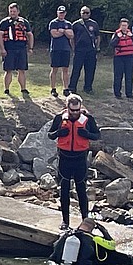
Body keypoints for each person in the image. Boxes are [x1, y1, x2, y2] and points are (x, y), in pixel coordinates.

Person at [47, 94, 100, 230]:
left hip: (80, 159)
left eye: (77, 110)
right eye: (72, 110)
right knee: (64, 191)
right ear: (67, 108)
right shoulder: (60, 118)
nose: (75, 113)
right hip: (64, 158)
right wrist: (60, 132)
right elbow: (50, 135)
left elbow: (97, 135)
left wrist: (87, 134)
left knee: (81, 190)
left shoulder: (88, 119)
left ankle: (85, 220)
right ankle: (65, 221)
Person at [50, 217, 133, 265]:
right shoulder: (94, 238)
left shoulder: (66, 234)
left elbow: (55, 246)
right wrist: (103, 230)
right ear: (92, 228)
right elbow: (112, 246)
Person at [0, 2, 33, 95]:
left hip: (21, 48)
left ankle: (23, 88)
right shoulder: (4, 22)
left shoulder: (24, 22)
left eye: (14, 11)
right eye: (11, 11)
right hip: (9, 48)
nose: (12, 13)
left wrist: (30, 47)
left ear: (18, 11)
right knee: (8, 70)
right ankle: (7, 89)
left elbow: (29, 34)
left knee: (22, 69)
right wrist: (2, 49)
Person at [68, 6, 100, 94]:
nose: (85, 14)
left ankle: (88, 88)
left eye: (87, 13)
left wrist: (97, 47)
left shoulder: (94, 24)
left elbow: (97, 36)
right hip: (79, 50)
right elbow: (72, 37)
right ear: (80, 13)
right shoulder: (76, 24)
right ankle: (72, 87)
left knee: (90, 70)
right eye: (83, 12)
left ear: (90, 13)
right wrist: (74, 48)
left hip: (90, 50)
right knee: (76, 69)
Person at [49, 5, 74, 97]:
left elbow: (71, 35)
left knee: (65, 69)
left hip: (66, 48)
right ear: (57, 13)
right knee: (54, 69)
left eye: (63, 13)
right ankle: (53, 88)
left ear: (65, 13)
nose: (61, 15)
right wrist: (64, 32)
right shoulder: (53, 23)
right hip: (56, 48)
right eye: (60, 13)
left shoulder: (68, 24)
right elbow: (54, 34)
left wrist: (62, 31)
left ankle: (66, 88)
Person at [111, 17, 133, 99]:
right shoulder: (116, 34)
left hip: (129, 57)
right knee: (118, 76)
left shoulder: (131, 34)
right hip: (119, 57)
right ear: (120, 26)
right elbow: (112, 44)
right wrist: (118, 37)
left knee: (129, 76)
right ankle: (117, 93)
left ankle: (129, 94)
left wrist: (132, 36)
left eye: (125, 25)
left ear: (128, 26)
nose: (124, 27)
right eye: (122, 25)